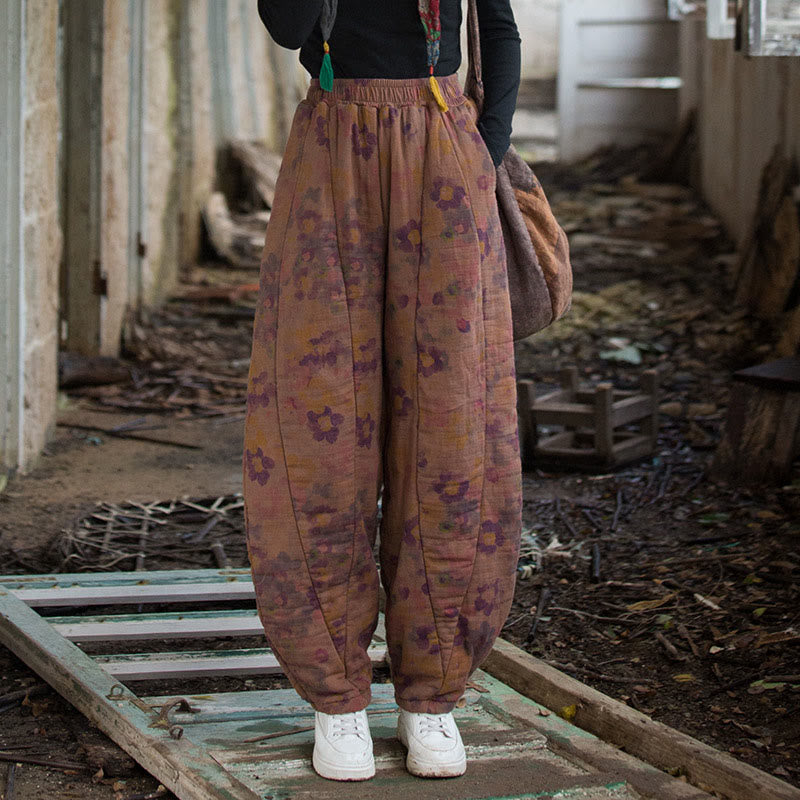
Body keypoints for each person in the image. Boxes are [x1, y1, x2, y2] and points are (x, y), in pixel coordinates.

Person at [244, 0, 523, 782]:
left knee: (451, 424)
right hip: (330, 150)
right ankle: (335, 698)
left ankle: (431, 695)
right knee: (317, 422)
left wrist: (486, 147)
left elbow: (498, 29)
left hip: (443, 151)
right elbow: (287, 26)